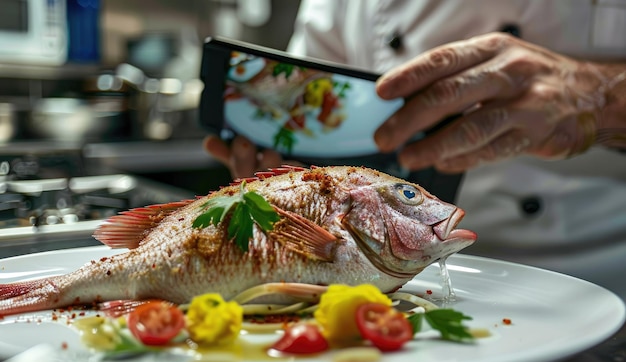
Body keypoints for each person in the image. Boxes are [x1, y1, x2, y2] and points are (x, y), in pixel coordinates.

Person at [204, 0, 626, 298]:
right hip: (393, 290)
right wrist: (295, 182)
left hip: (603, 279)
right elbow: (309, 110)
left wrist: (602, 97)